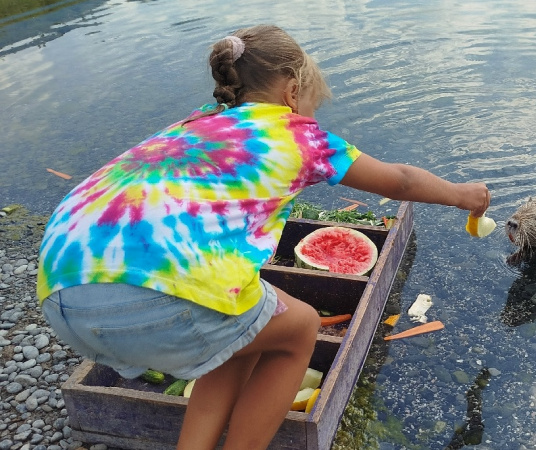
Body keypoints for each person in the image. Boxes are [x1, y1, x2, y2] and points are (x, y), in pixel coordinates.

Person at [36, 24, 490, 450]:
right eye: (312, 102)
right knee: (301, 327)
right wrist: (463, 195)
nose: (311, 115)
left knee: (246, 331)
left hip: (60, 293)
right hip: (149, 300)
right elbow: (402, 182)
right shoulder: (298, 135)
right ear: (292, 91)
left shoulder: (195, 125)